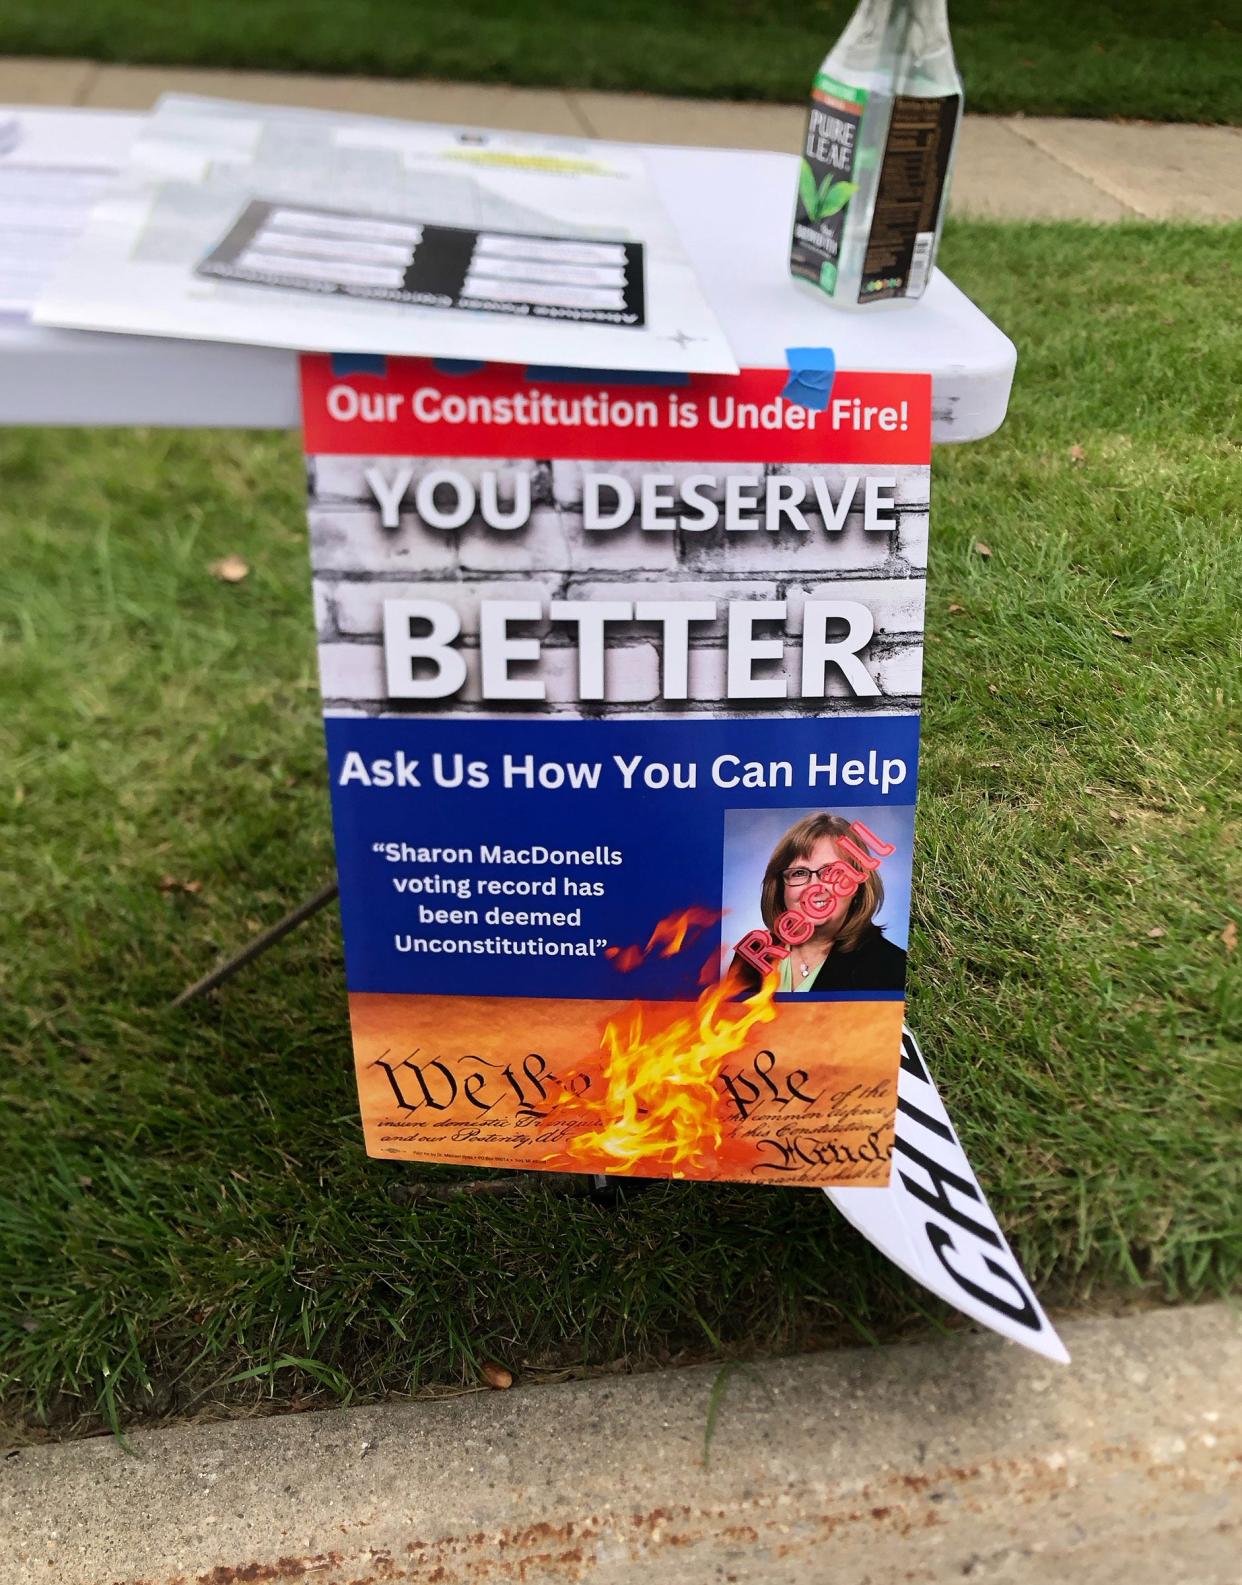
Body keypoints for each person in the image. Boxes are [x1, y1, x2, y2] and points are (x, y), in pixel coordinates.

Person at [732, 812, 906, 995]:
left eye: (832, 872)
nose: (814, 887)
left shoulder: (890, 967)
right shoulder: (751, 955)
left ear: (859, 887)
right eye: (799, 873)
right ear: (780, 887)